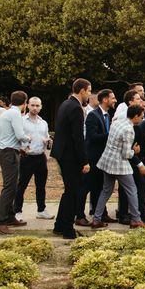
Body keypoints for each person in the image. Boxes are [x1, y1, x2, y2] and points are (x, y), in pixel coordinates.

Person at [92, 105, 145, 229]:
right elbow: (126, 154)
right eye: (141, 117)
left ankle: (96, 219)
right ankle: (136, 220)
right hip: (119, 164)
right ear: (136, 116)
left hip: (107, 161)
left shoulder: (117, 123)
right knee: (132, 190)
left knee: (106, 191)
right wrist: (135, 151)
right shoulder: (129, 129)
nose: (142, 120)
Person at [51, 79, 92, 239]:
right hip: (70, 156)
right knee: (73, 192)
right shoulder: (75, 107)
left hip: (63, 154)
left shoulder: (66, 103)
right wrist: (84, 161)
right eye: (89, 91)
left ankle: (60, 225)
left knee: (69, 191)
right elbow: (77, 138)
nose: (89, 94)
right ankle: (68, 229)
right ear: (82, 90)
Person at [0, 91, 30, 234]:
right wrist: (29, 138)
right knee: (9, 188)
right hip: (9, 154)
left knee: (12, 187)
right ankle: (0, 221)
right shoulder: (15, 114)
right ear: (24, 102)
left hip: (6, 152)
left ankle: (9, 216)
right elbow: (20, 135)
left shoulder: (6, 113)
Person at [79, 89, 117, 226]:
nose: (115, 100)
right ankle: (79, 215)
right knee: (86, 187)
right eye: (113, 98)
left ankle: (100, 214)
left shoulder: (108, 115)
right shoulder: (93, 116)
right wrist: (112, 134)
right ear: (105, 99)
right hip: (93, 158)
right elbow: (92, 137)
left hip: (103, 159)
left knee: (99, 187)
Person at [14, 97, 53, 221]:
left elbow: (47, 139)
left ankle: (41, 210)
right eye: (32, 105)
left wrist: (49, 141)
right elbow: (17, 138)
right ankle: (17, 211)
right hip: (27, 157)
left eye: (37, 105)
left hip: (41, 157)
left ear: (41, 107)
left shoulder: (43, 123)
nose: (35, 108)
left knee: (41, 186)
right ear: (28, 105)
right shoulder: (21, 121)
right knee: (22, 186)